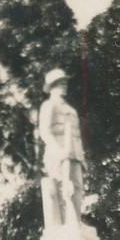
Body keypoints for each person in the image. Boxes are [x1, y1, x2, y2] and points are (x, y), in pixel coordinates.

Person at [37, 67, 86, 228]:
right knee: (62, 186)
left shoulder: (71, 110)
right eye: (60, 83)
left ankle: (75, 220)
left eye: (65, 82)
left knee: (77, 186)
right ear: (51, 86)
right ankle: (65, 223)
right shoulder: (48, 105)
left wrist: (82, 157)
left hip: (74, 153)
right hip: (56, 152)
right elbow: (45, 131)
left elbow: (76, 135)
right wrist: (58, 151)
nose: (64, 85)